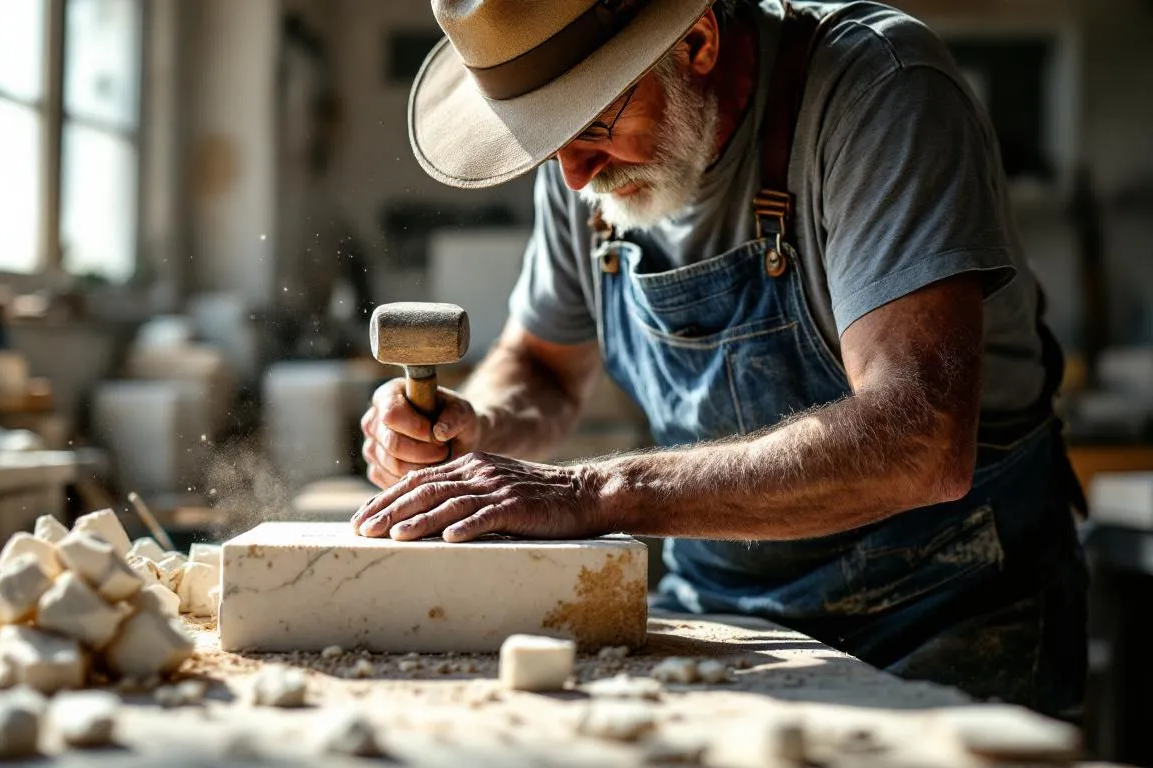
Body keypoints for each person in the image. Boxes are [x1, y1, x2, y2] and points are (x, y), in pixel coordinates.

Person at [351, 0, 1088, 718]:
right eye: (549, 144)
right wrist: (473, 430)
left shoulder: (878, 90)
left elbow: (916, 441)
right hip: (726, 609)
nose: (575, 177)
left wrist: (589, 492)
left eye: (591, 124)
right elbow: (542, 366)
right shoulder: (584, 160)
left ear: (697, 43)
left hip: (942, 608)